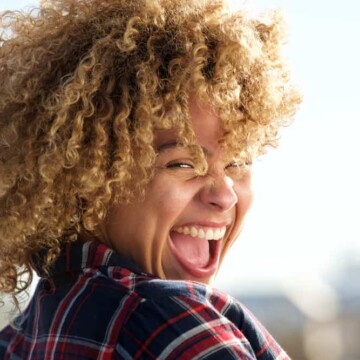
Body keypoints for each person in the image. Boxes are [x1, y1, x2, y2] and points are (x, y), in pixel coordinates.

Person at [0, 0, 301, 358]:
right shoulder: (175, 328)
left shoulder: (16, 340)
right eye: (183, 164)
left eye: (238, 161)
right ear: (88, 176)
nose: (225, 195)